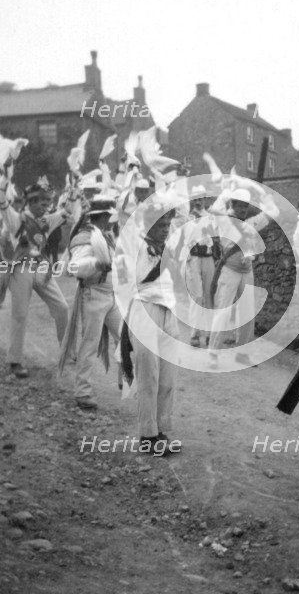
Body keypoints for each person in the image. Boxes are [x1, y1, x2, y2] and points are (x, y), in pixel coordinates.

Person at [117, 195, 180, 456]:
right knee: (149, 374)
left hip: (168, 310)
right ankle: (147, 434)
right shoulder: (135, 246)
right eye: (161, 223)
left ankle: (162, 428)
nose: (166, 228)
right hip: (144, 310)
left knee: (168, 375)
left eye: (168, 223)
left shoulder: (167, 247)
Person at [0, 174, 71, 378]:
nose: (46, 206)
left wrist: (74, 191)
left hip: (41, 269)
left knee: (62, 307)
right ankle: (15, 361)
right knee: (19, 314)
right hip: (20, 269)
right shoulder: (17, 219)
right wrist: (5, 178)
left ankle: (65, 351)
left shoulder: (46, 219)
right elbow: (1, 200)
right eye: (42, 202)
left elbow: (69, 211)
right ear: (32, 202)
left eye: (48, 201)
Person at [59, 195, 122, 410]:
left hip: (110, 296)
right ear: (103, 216)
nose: (111, 220)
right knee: (90, 344)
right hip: (93, 295)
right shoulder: (85, 238)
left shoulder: (106, 236)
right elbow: (75, 268)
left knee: (126, 338)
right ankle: (82, 391)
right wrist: (96, 263)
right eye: (109, 216)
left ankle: (127, 378)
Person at [207, 188, 278, 368]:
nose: (243, 209)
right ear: (232, 205)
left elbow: (273, 212)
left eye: (245, 206)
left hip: (246, 270)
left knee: (247, 312)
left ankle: (242, 354)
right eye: (239, 205)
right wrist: (227, 189)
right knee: (222, 311)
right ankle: (213, 353)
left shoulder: (251, 223)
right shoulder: (225, 222)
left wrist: (263, 195)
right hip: (229, 270)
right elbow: (215, 209)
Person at [185, 185, 217, 347]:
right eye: (195, 199)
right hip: (194, 258)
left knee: (209, 295)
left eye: (200, 199)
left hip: (208, 256)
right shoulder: (186, 217)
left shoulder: (210, 216)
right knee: (197, 296)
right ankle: (195, 333)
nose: (198, 202)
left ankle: (209, 334)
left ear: (204, 200)